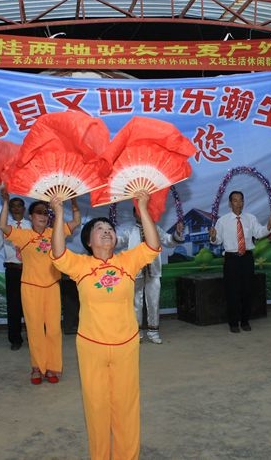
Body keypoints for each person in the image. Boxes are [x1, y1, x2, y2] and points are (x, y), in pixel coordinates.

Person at [50, 191, 160, 460]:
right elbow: (58, 253)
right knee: (96, 407)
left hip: (126, 345)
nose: (106, 231)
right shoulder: (80, 265)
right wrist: (59, 213)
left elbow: (153, 246)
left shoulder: (127, 261)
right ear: (88, 241)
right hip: (92, 347)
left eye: (109, 228)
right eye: (99, 229)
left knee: (126, 405)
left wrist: (142, 208)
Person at [0, 190, 81, 385]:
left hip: (52, 287)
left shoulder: (55, 232)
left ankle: (53, 367)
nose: (43, 216)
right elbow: (2, 226)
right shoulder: (23, 235)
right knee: (35, 329)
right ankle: (37, 367)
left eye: (46, 212)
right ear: (30, 216)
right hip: (30, 288)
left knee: (53, 330)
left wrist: (73, 200)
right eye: (38, 212)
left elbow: (76, 221)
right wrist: (5, 202)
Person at [209, 190, 271, 333]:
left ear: (244, 202)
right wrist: (213, 237)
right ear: (230, 203)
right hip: (231, 259)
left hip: (247, 258)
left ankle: (245, 321)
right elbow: (217, 240)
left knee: (247, 290)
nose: (238, 203)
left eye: (241, 200)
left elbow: (259, 233)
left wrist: (269, 225)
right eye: (235, 200)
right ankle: (233, 323)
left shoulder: (250, 218)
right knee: (232, 291)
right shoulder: (223, 221)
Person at [117, 206, 184, 344]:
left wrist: (177, 233)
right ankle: (137, 333)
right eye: (138, 211)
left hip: (153, 271)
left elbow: (168, 240)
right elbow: (119, 240)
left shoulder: (155, 229)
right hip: (135, 272)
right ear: (134, 214)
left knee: (154, 301)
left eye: (144, 211)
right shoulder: (130, 231)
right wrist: (109, 235)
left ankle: (153, 332)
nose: (142, 214)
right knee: (136, 302)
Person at [0, 196, 28, 351]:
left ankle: (35, 337)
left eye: (19, 205)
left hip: (30, 271)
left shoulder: (32, 226)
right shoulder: (4, 227)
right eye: (13, 206)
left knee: (32, 305)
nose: (16, 208)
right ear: (9, 210)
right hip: (13, 271)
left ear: (24, 209)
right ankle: (15, 339)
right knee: (14, 306)